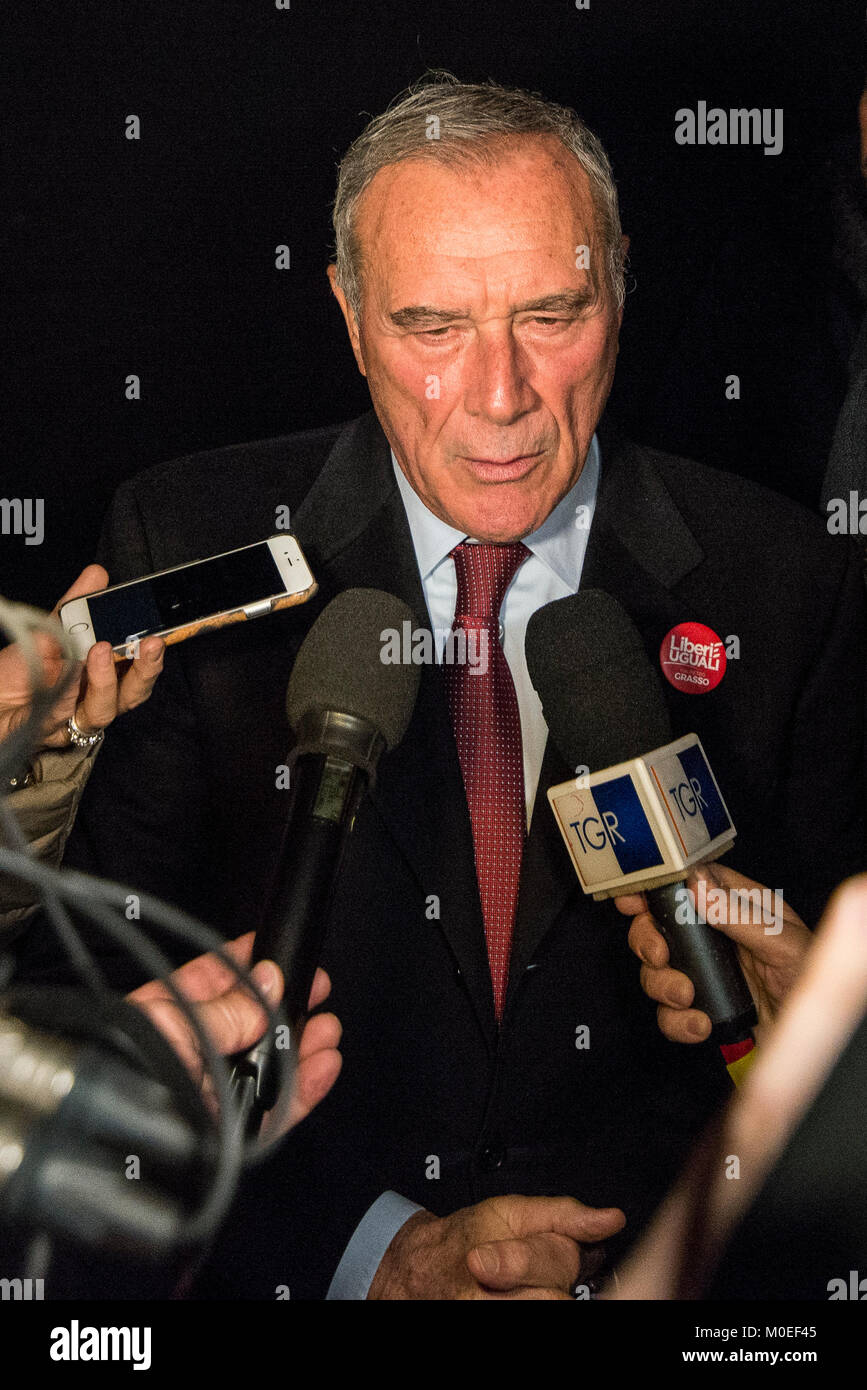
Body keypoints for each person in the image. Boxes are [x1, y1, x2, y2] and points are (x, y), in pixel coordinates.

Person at [12, 72, 867, 1300]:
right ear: (352, 319)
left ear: (619, 285)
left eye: (553, 313)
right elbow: (85, 1003)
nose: (503, 396)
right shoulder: (184, 542)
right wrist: (377, 1257)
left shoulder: (789, 580)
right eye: (432, 328)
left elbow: (809, 1060)